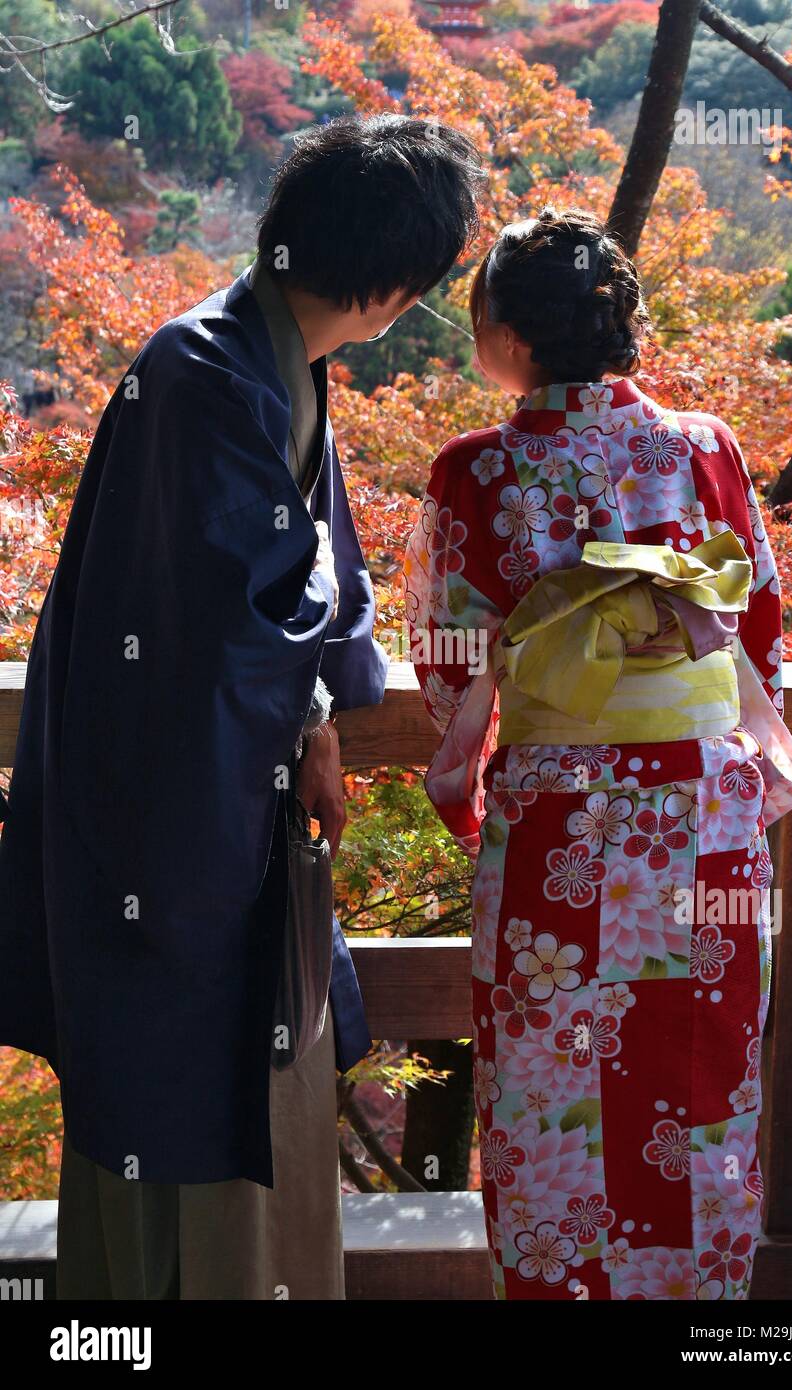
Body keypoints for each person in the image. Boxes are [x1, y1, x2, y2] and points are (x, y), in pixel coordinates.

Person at [0, 112, 484, 1299]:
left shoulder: (261, 363)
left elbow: (300, 592)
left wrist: (319, 703)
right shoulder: (207, 374)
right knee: (181, 1093)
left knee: (223, 1075)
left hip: (214, 803)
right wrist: (319, 695)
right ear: (392, 286)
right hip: (165, 818)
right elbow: (247, 613)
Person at [404, 207, 792, 1301]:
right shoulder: (704, 446)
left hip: (557, 824)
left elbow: (448, 660)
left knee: (547, 1074)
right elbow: (758, 629)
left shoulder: (474, 470)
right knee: (701, 1063)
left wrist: (480, 745)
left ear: (509, 334)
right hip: (701, 818)